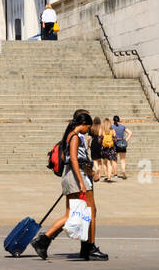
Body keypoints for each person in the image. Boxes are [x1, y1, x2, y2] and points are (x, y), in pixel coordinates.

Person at [31, 109, 108, 261]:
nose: (88, 130)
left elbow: (77, 160)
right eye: (88, 126)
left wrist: (91, 174)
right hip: (76, 178)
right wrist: (81, 181)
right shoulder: (74, 137)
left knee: (75, 214)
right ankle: (88, 247)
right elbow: (74, 159)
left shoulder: (70, 136)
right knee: (90, 212)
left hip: (74, 177)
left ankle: (46, 241)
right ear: (83, 124)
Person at [101, 117, 117, 181]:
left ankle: (106, 175)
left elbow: (99, 140)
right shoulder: (112, 130)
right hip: (111, 148)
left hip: (104, 148)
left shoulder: (102, 130)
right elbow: (115, 140)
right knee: (110, 163)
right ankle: (109, 177)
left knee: (105, 162)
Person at [89, 116, 103, 183]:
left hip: (93, 143)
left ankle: (96, 169)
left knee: (94, 159)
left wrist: (88, 144)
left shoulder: (91, 128)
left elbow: (88, 138)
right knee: (100, 160)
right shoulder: (101, 127)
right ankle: (99, 174)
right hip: (100, 144)